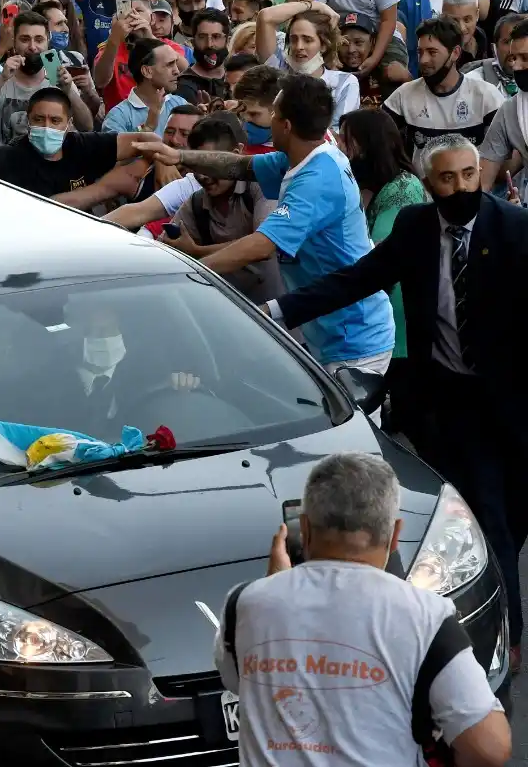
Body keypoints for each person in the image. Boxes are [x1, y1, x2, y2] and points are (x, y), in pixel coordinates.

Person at [265, 134, 528, 673]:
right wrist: (275, 311)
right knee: (492, 520)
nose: (460, 188)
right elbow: (358, 279)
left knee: (514, 516)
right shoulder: (414, 228)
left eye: (468, 176)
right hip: (456, 403)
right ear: (428, 183)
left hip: (517, 399)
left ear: (481, 173)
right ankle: (506, 638)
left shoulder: (515, 231)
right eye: (448, 179)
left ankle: (498, 599)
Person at [215, 452, 511, 767]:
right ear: (395, 535)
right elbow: (488, 748)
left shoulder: (244, 604)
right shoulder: (426, 618)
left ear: (305, 529)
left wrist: (275, 586)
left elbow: (239, 681)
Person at [134, 74, 395, 376]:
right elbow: (240, 166)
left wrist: (193, 270)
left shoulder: (318, 179)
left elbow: (262, 245)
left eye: (273, 114)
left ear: (285, 126)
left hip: (355, 339)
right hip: (326, 332)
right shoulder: (302, 156)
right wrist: (179, 155)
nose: (267, 121)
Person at [0, 87, 150, 206]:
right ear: (28, 120)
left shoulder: (84, 145)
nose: (46, 126)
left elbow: (148, 143)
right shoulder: (13, 155)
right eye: (38, 119)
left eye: (55, 121)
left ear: (69, 124)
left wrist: (153, 165)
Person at [337, 109, 425, 429]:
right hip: (388, 317)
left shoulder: (403, 189)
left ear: (367, 144)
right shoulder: (379, 188)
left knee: (405, 420)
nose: (341, 150)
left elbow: (380, 252)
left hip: (399, 321)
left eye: (347, 142)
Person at [160, 114, 283, 305]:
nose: (202, 176)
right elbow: (166, 250)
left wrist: (198, 252)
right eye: (196, 166)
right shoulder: (196, 205)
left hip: (275, 323)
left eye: (210, 167)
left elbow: (263, 246)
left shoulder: (261, 188)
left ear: (234, 156)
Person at [383, 17, 504, 172]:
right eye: (420, 52)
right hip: (425, 195)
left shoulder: (486, 96)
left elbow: (503, 155)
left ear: (455, 53)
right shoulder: (404, 95)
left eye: (432, 52)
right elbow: (377, 135)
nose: (424, 60)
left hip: (471, 192)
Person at [0, 11, 94, 146]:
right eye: (25, 39)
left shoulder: (58, 79)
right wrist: (1, 80)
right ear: (14, 43)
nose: (32, 47)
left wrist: (69, 92)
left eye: (39, 40)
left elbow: (86, 127)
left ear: (48, 42)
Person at [257, 0, 360, 125]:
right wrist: (315, 5)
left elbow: (337, 133)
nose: (299, 46)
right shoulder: (278, 70)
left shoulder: (344, 83)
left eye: (307, 40)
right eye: (294, 39)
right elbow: (265, 17)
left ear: (324, 45)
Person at [479, 19, 528, 191]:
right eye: (514, 58)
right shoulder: (511, 111)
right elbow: (483, 180)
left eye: (525, 58)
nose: (516, 65)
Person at [102, 37, 187, 133]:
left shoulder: (180, 104)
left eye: (176, 63)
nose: (177, 71)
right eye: (169, 65)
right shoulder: (118, 117)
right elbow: (116, 148)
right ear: (147, 71)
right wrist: (148, 127)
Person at [338, 10, 412, 109]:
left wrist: (407, 77)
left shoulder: (387, 69)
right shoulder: (334, 74)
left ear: (373, 43)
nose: (351, 50)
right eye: (345, 43)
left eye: (358, 43)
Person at [462, 12, 524, 97]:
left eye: (520, 43)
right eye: (507, 42)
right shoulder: (471, 83)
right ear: (494, 48)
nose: (513, 49)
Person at [175, 9, 231, 102]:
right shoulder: (183, 85)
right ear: (193, 42)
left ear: (227, 41)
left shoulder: (236, 79)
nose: (209, 44)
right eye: (202, 37)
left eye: (216, 36)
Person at [442, 0, 490, 68]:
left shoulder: (481, 36)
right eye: (454, 21)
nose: (462, 28)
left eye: (467, 20)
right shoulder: (438, 50)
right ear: (443, 17)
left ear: (477, 15)